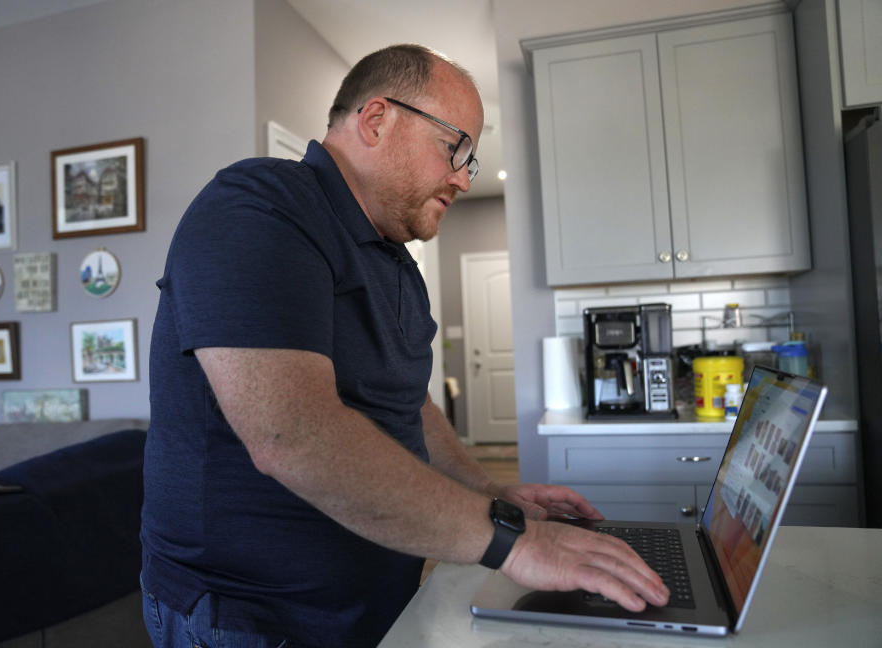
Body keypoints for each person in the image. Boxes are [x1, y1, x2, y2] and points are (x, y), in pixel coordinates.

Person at [140, 43, 669, 648]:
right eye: (457, 150)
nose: (464, 178)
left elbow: (406, 404)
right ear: (376, 120)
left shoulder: (389, 256)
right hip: (252, 619)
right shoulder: (259, 207)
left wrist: (489, 492)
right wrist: (513, 543)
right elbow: (293, 435)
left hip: (372, 599)